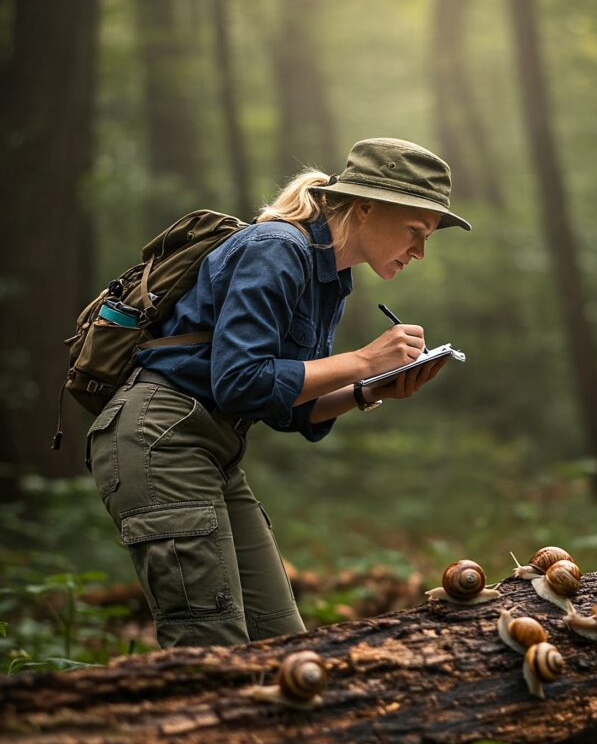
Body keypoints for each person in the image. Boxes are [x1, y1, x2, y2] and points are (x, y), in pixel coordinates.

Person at [85, 137, 470, 649]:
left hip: (212, 450)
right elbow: (241, 382)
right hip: (161, 440)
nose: (420, 250)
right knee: (213, 651)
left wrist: (368, 390)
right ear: (366, 206)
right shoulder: (277, 249)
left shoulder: (330, 278)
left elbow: (287, 408)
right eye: (415, 231)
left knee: (282, 646)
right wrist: (363, 360)